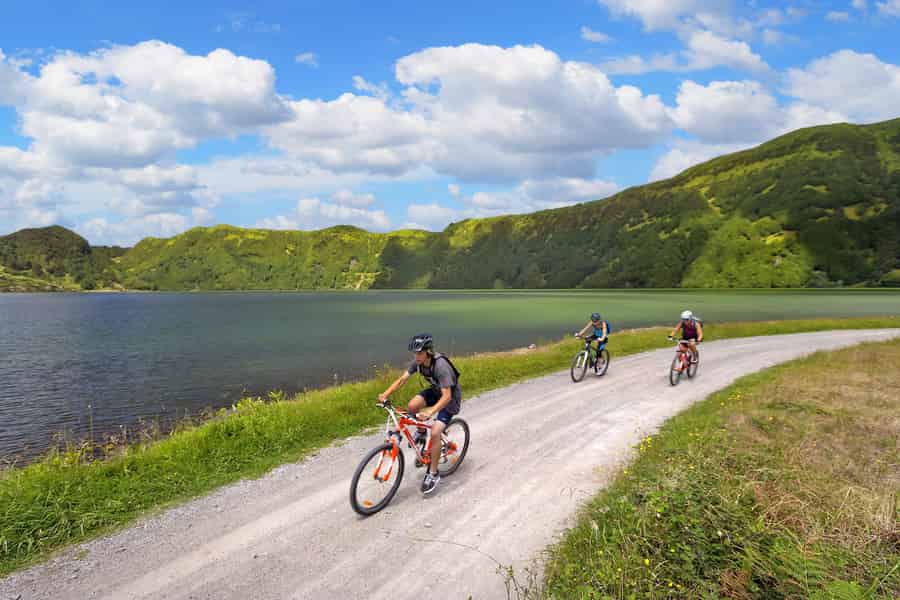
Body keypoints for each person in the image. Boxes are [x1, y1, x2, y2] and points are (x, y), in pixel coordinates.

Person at [378, 333, 461, 495]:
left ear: (428, 352)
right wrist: (385, 394)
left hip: (449, 399)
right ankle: (421, 435)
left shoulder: (441, 366)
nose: (416, 356)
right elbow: (402, 379)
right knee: (412, 405)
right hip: (436, 392)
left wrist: (430, 411)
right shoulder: (418, 363)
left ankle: (433, 473)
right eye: (415, 353)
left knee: (436, 431)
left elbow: (447, 396)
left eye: (419, 353)